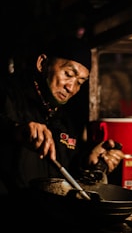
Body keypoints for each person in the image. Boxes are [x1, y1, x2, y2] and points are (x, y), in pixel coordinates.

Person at [0, 34, 125, 195]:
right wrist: (17, 131)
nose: (71, 88)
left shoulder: (66, 118)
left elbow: (66, 173)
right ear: (43, 63)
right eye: (68, 74)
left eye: (80, 82)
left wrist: (87, 162)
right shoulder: (9, 93)